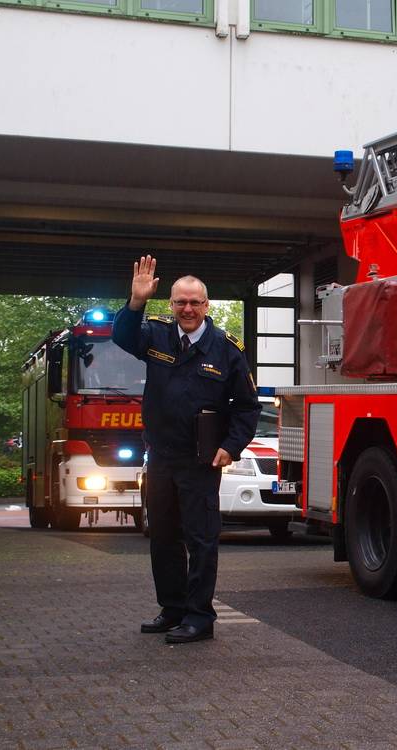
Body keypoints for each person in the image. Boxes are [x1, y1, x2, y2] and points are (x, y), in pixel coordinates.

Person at [112, 255, 261, 644]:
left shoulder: (226, 348)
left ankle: (200, 617)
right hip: (161, 456)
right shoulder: (156, 334)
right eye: (180, 302)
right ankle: (173, 608)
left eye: (194, 302)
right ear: (171, 305)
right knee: (163, 538)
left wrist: (231, 447)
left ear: (206, 305)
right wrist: (136, 302)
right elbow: (123, 337)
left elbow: (246, 407)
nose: (188, 309)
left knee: (201, 539)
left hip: (200, 459)